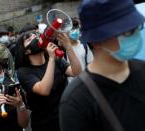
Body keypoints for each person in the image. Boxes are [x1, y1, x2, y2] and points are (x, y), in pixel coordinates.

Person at [59, 0, 145, 131]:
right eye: (127, 32)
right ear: (97, 40)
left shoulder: (143, 70)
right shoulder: (76, 102)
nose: (136, 35)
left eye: (137, 27)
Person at [15, 30, 80, 131]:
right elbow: (44, 90)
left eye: (36, 35)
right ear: (26, 51)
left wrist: (68, 47)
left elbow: (76, 72)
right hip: (46, 124)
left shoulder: (56, 60)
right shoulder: (23, 72)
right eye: (29, 39)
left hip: (67, 117)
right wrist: (52, 59)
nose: (35, 37)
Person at [67, 17, 93, 82]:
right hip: (70, 84)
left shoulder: (85, 46)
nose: (75, 31)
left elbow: (90, 64)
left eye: (76, 28)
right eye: (72, 29)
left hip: (84, 82)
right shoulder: (63, 49)